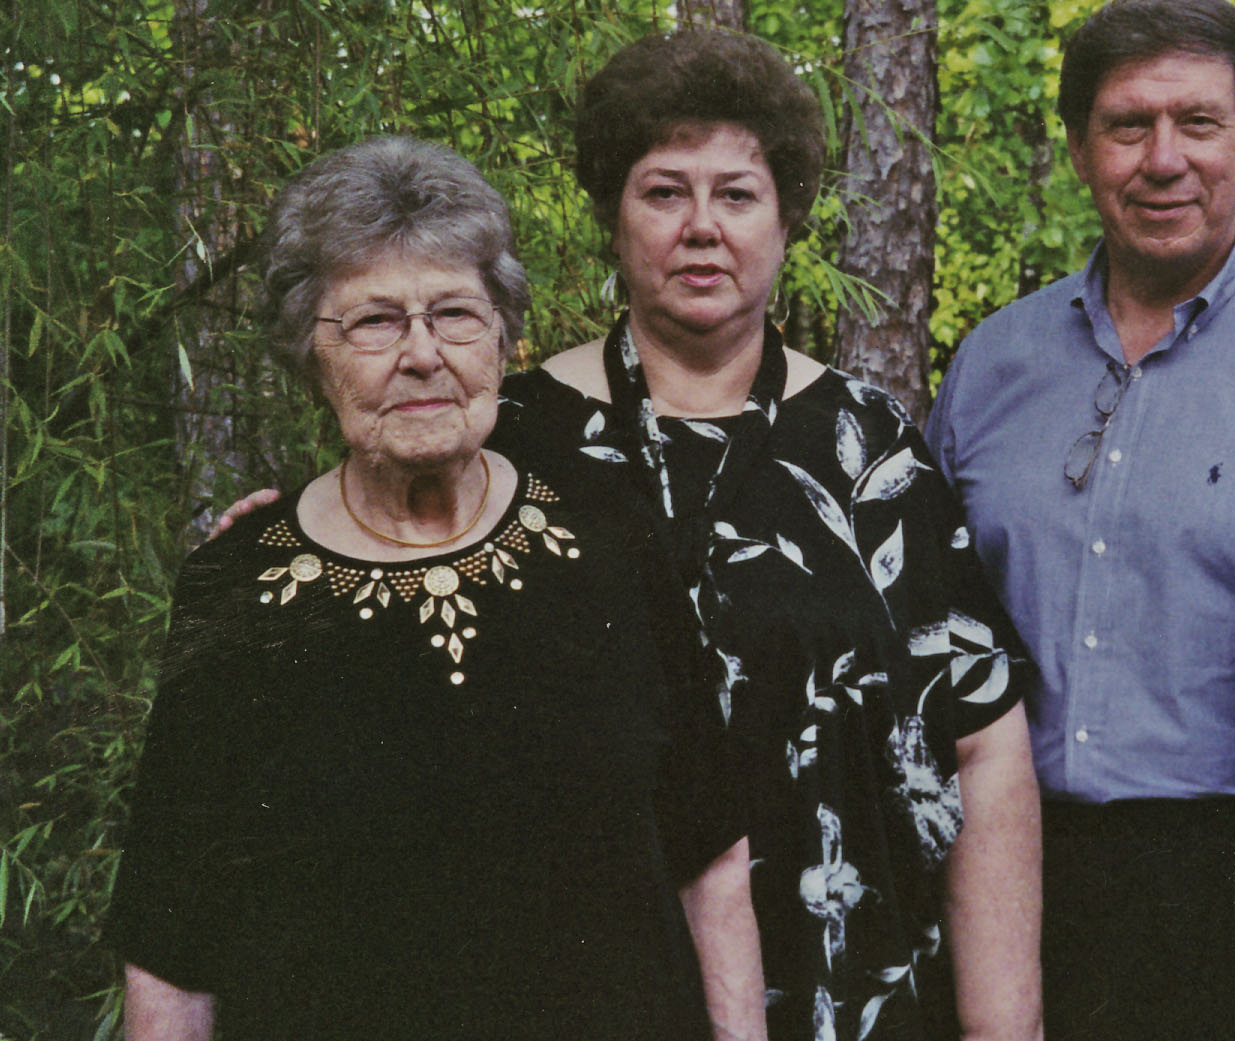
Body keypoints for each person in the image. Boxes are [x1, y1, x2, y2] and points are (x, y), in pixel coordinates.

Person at [108, 137, 765, 1041]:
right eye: (374, 322)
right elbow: (170, 943)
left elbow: (710, 856)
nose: (422, 354)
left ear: (501, 335)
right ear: (309, 351)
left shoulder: (609, 532)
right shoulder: (239, 585)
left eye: (454, 313)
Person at [484, 30, 1043, 1041]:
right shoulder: (513, 441)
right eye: (664, 191)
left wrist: (1003, 1026)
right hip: (585, 985)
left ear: (786, 220)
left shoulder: (868, 447)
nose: (701, 226)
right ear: (613, 214)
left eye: (736, 194)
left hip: (844, 977)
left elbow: (983, 737)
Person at [925, 0, 1235, 1041]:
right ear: (1080, 151)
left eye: (1198, 122)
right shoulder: (994, 363)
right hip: (1011, 869)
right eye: (1127, 125)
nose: (1163, 159)